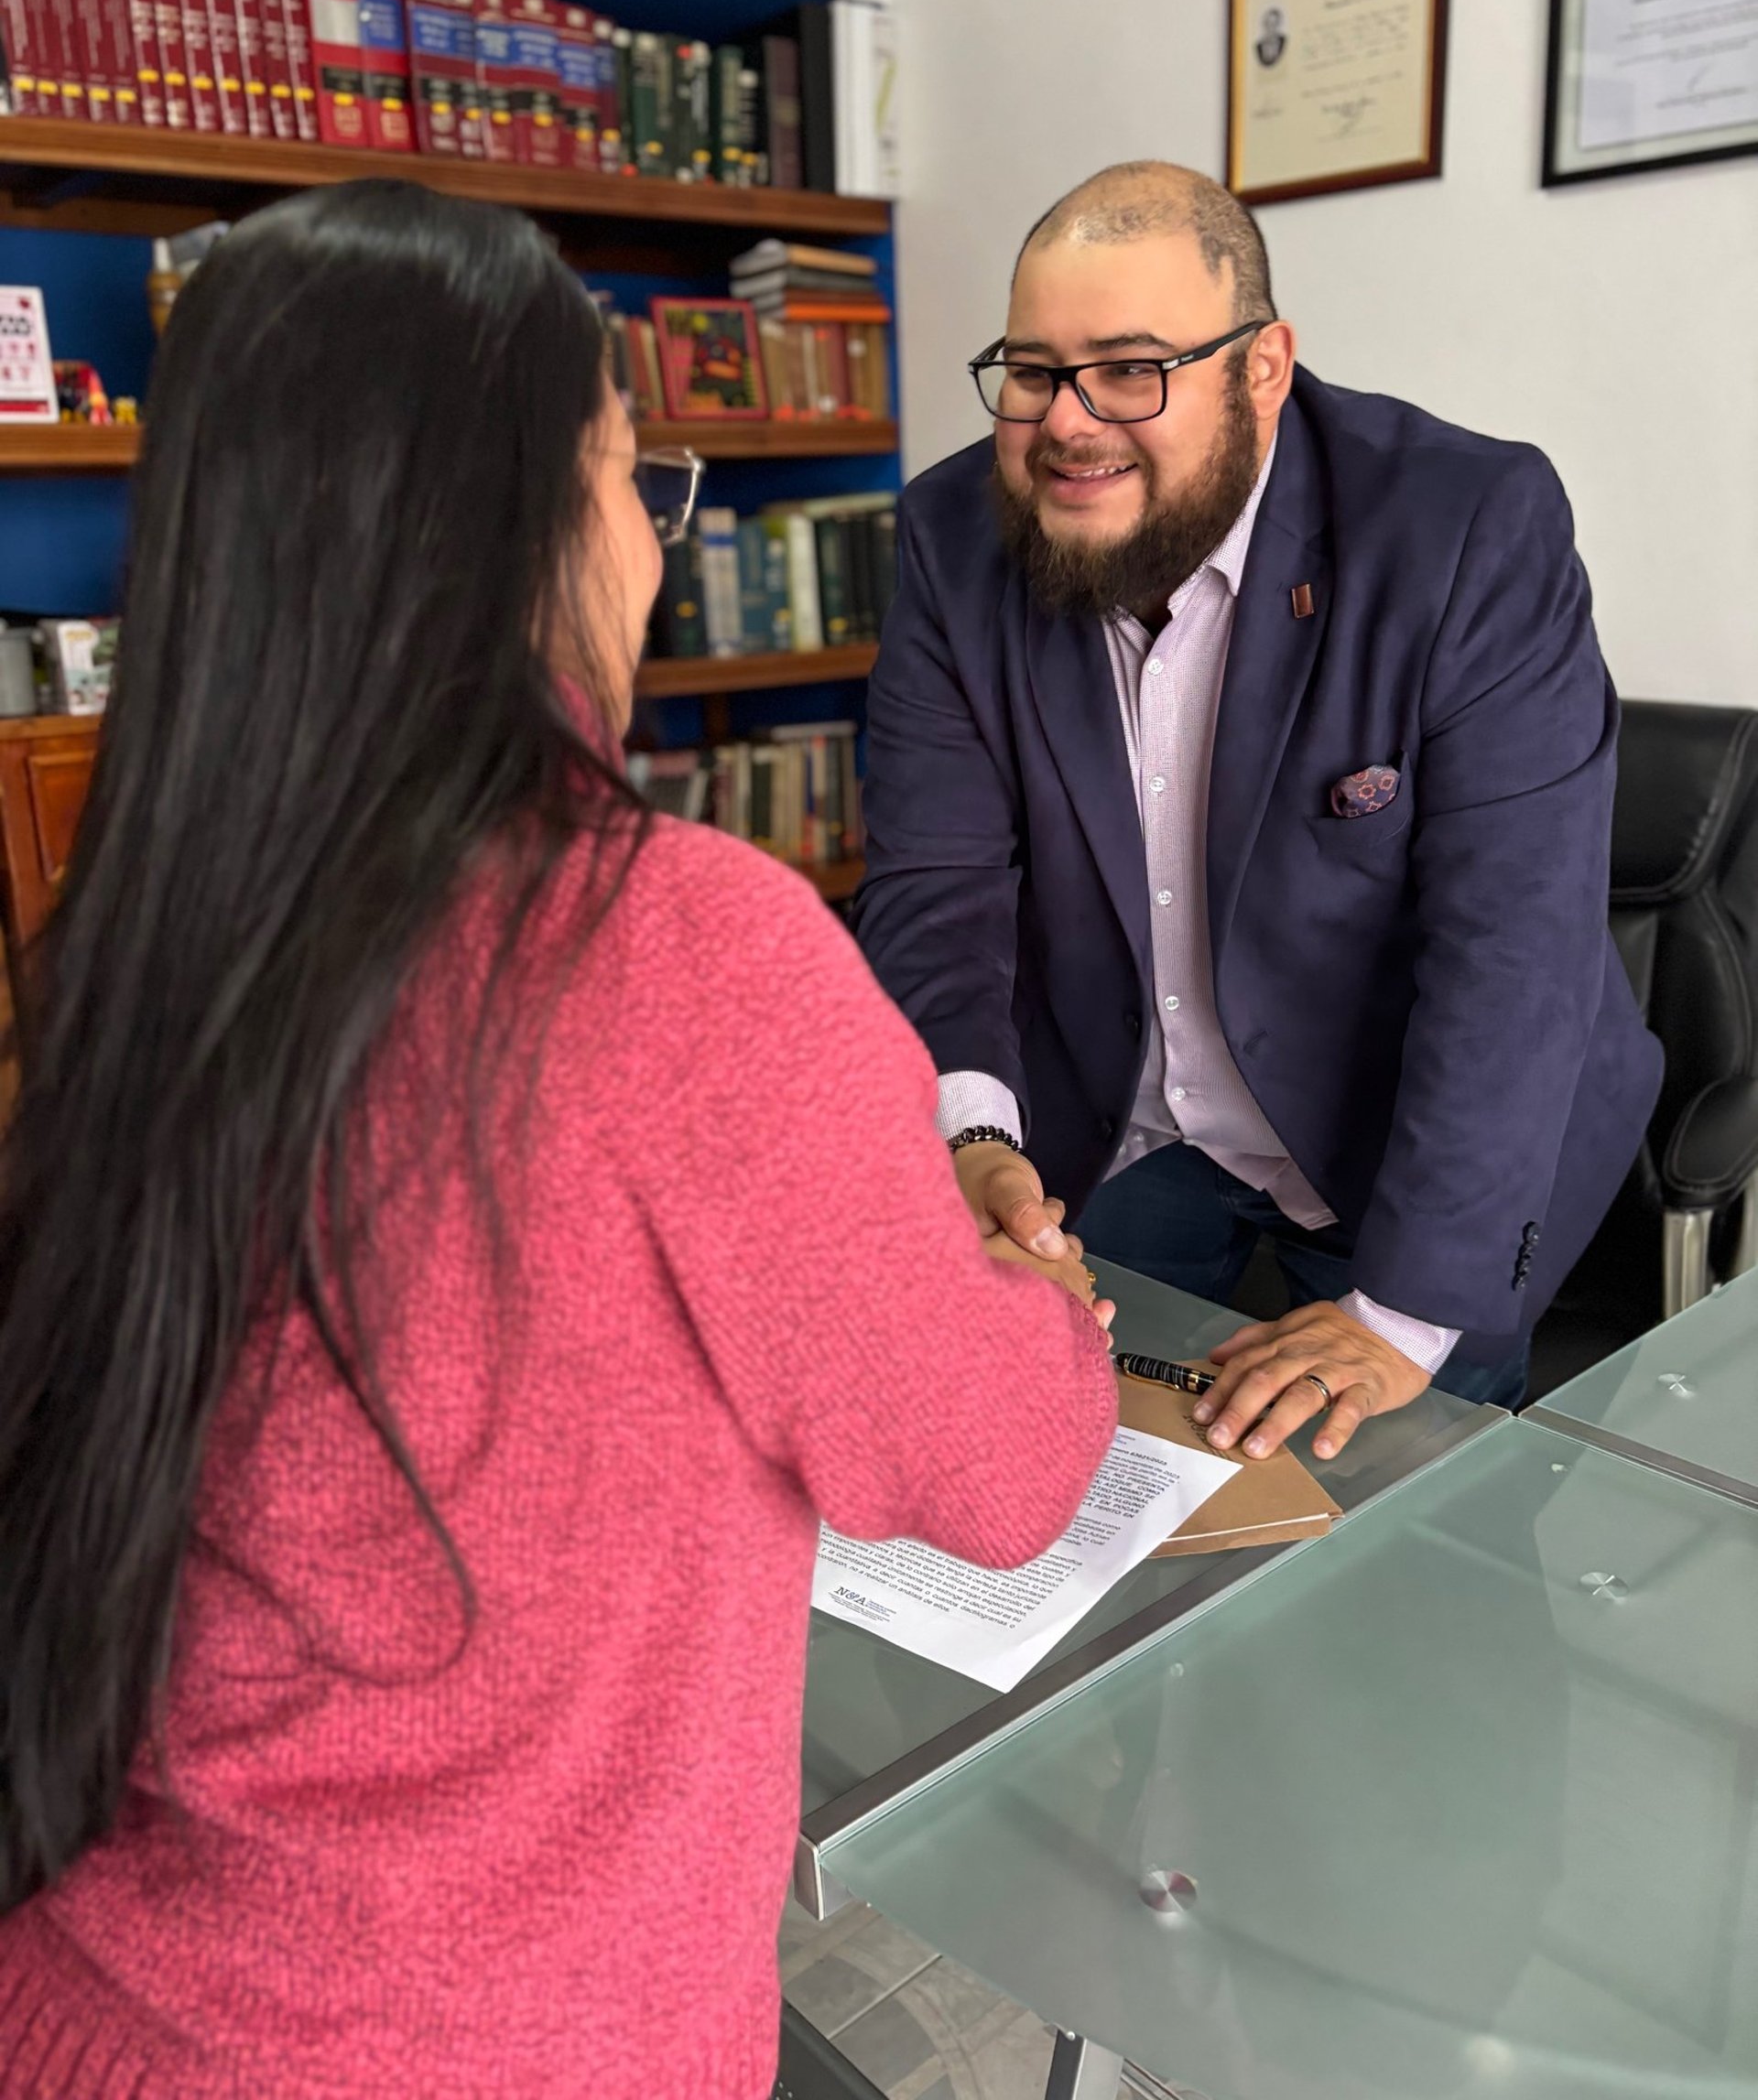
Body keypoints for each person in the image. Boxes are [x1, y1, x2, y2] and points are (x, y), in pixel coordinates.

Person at [0, 182, 1116, 2098]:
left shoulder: (138, 940)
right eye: (629, 476)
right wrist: (1030, 1286)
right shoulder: (688, 949)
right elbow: (995, 1463)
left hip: (81, 2005)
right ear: (518, 528)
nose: (655, 548)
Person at [855, 160, 1662, 1464]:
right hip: (1125, 1121)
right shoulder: (954, 535)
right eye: (1034, 371)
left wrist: (1400, 1321)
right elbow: (934, 887)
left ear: (1264, 367)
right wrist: (976, 1142)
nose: (1069, 425)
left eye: (1132, 369)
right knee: (1071, 1479)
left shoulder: (1466, 525)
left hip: (1421, 1144)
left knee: (1410, 1517)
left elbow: (1515, 951)